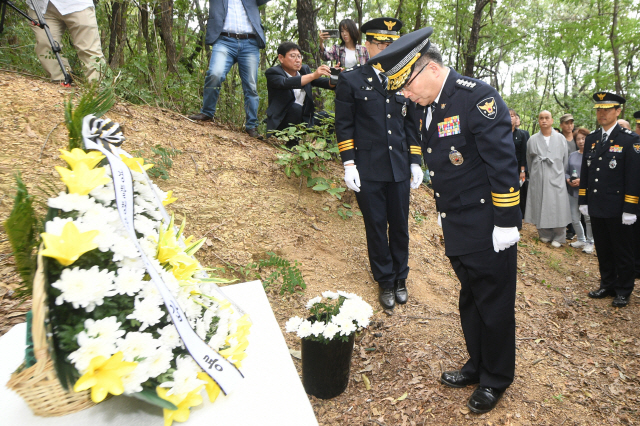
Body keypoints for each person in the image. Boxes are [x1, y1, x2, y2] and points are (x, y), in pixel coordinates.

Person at [375, 27, 521, 414]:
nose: (405, 95)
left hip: (490, 226)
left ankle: (496, 378)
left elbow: (503, 163)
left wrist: (507, 221)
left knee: (494, 303)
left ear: (431, 69)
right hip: (457, 223)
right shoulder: (429, 105)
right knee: (471, 299)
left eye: (406, 86)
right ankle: (477, 364)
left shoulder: (477, 98)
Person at [335, 17, 423, 311]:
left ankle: (401, 278)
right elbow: (344, 126)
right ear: (368, 45)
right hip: (368, 167)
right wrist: (349, 163)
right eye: (381, 43)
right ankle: (385, 280)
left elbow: (412, 125)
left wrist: (414, 161)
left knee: (399, 226)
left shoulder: (405, 79)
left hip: (398, 166)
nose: (387, 48)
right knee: (375, 226)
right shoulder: (351, 80)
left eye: (392, 44)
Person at [579, 92, 640, 308]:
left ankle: (623, 289)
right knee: (603, 248)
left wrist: (630, 207)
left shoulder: (630, 139)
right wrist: (583, 200)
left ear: (618, 111)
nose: (602, 113)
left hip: (618, 207)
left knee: (622, 250)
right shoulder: (593, 139)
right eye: (599, 109)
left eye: (607, 109)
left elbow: (634, 176)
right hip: (597, 204)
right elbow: (586, 172)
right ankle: (607, 283)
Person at [188, 0, 270, 139]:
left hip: (250, 42)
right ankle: (207, 112)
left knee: (251, 85)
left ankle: (252, 126)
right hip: (224, 40)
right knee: (215, 73)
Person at [265, 42, 335, 142]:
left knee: (330, 116)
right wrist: (313, 75)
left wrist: (335, 78)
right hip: (282, 121)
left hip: (305, 118)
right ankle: (292, 143)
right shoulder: (273, 72)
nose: (297, 60)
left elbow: (321, 82)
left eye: (299, 56)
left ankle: (325, 149)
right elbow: (285, 83)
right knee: (296, 107)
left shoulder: (304, 70)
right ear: (281, 58)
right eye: (292, 56)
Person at [524, 111, 572, 247]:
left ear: (552, 120)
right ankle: (544, 233)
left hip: (556, 176)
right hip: (538, 177)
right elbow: (529, 160)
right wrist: (535, 173)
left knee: (558, 205)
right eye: (541, 118)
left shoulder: (561, 138)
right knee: (538, 203)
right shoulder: (532, 139)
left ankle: (559, 235)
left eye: (547, 118)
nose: (544, 120)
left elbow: (565, 160)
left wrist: (559, 174)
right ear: (538, 121)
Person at [28, 0, 106, 82]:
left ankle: (98, 88)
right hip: (40, 7)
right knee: (46, 46)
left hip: (78, 5)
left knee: (89, 50)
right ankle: (61, 83)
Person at [565, 127, 594, 252]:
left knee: (587, 218)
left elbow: (594, 174)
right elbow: (566, 172)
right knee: (574, 217)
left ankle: (590, 241)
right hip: (572, 192)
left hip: (587, 192)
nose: (581, 141)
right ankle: (581, 239)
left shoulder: (592, 155)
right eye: (578, 139)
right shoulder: (572, 155)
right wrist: (568, 180)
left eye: (583, 138)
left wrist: (581, 181)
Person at [510, 108, 529, 216]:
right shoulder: (502, 134)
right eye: (508, 116)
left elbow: (524, 153)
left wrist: (523, 170)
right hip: (506, 168)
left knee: (521, 191)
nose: (510, 118)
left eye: (512, 116)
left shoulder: (521, 134)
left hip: (518, 168)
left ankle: (521, 215)